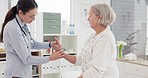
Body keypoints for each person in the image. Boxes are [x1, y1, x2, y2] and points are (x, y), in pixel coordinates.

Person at [0, 0, 64, 78]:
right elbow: (26, 59)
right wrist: (50, 58)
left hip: (24, 72)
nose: (34, 19)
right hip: (15, 73)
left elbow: (32, 44)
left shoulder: (23, 24)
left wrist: (50, 44)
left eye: (35, 15)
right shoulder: (13, 28)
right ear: (21, 13)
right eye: (31, 16)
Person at [63, 3, 119, 78]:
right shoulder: (92, 37)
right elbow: (80, 60)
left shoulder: (105, 38)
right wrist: (62, 54)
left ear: (99, 17)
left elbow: (95, 71)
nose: (88, 18)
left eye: (90, 15)